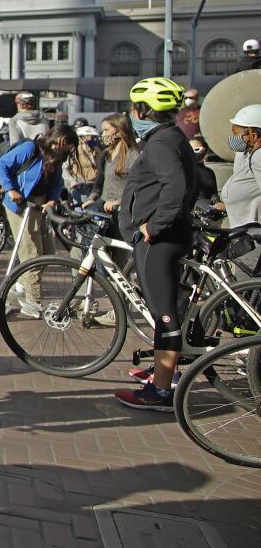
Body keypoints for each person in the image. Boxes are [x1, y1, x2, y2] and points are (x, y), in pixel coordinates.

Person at [114, 77, 198, 412]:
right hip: (164, 237)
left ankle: (162, 391)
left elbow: (174, 188)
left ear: (143, 109)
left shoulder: (161, 142)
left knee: (164, 316)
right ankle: (162, 375)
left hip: (160, 240)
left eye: (134, 107)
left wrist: (154, 225)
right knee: (163, 312)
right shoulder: (170, 136)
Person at [0, 124, 78, 318]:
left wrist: (52, 199)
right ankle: (33, 301)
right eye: (67, 145)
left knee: (48, 251)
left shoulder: (58, 157)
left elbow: (57, 183)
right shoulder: (31, 149)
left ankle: (19, 288)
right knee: (31, 252)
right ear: (59, 139)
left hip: (40, 205)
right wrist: (10, 188)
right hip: (20, 204)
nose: (67, 150)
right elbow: (1, 165)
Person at [218, 104, 261, 227]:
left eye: (237, 133)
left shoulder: (258, 157)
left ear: (254, 135)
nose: (234, 138)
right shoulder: (248, 154)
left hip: (254, 237)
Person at [64, 126, 100, 206]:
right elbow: (64, 169)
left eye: (95, 137)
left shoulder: (96, 150)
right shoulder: (74, 151)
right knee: (80, 212)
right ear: (82, 138)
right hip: (80, 187)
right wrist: (72, 181)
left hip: (94, 187)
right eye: (91, 137)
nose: (94, 139)